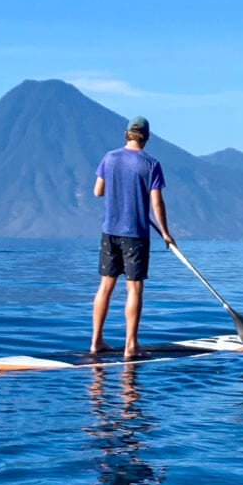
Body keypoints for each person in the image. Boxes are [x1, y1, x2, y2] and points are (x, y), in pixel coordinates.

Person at [91, 116, 175, 358]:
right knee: (134, 289)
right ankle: (131, 346)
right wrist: (166, 233)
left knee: (105, 286)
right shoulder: (151, 164)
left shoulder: (109, 158)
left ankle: (96, 341)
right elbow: (157, 202)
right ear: (146, 137)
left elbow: (98, 191)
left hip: (109, 232)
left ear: (126, 134)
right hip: (135, 234)